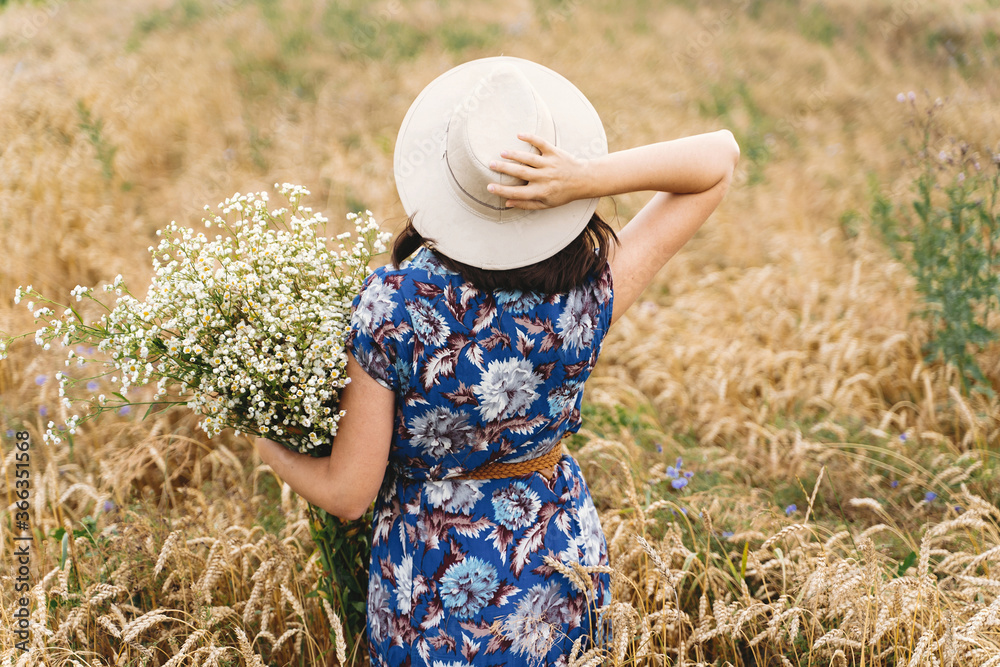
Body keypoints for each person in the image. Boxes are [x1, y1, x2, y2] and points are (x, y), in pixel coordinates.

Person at [254, 56, 739, 666]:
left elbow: (350, 495)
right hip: (558, 564)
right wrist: (586, 179)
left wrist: (267, 446)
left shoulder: (394, 306)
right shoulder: (583, 297)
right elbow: (719, 159)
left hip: (430, 589)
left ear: (445, 181)